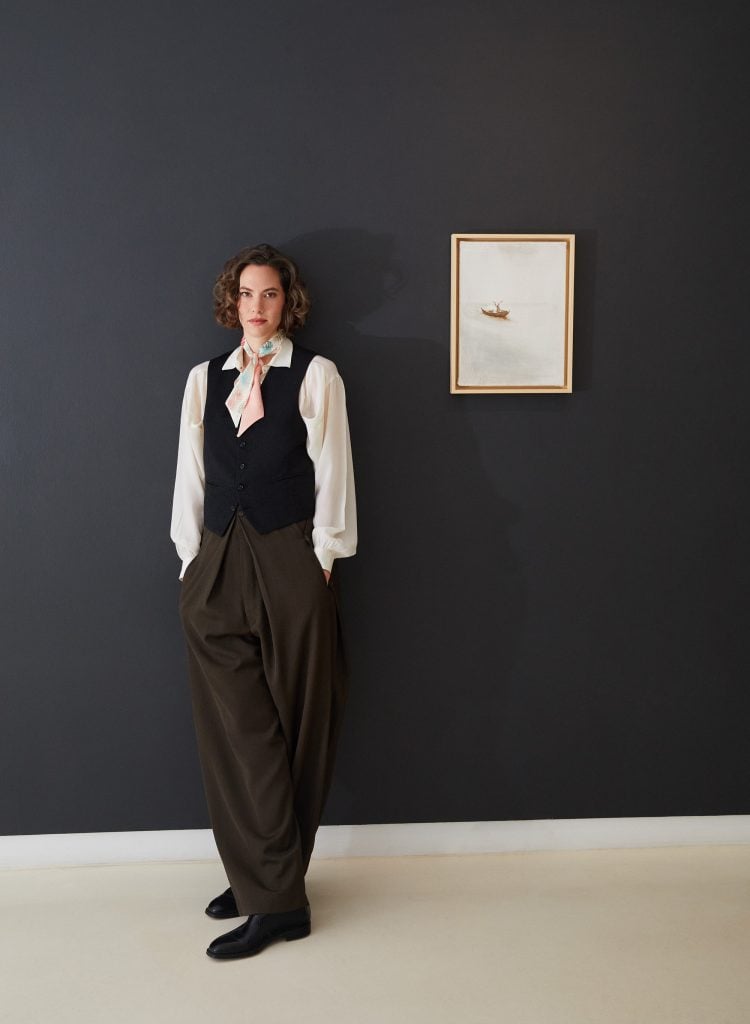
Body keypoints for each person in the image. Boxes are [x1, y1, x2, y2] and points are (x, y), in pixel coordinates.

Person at [171, 243, 356, 959]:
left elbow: (334, 468)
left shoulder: (317, 376)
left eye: (270, 294)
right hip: (216, 557)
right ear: (231, 302)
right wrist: (191, 561)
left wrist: (323, 557)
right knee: (235, 731)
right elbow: (190, 472)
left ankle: (277, 894)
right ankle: (260, 880)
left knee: (296, 724)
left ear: (288, 301)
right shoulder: (201, 379)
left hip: (290, 554)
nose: (257, 306)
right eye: (246, 294)